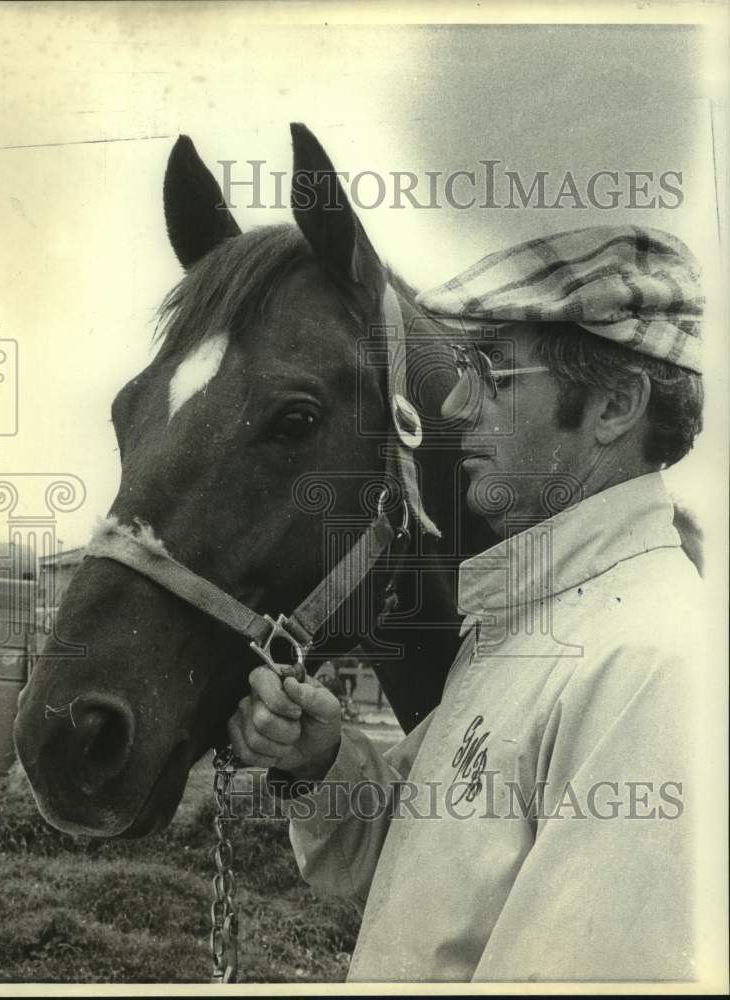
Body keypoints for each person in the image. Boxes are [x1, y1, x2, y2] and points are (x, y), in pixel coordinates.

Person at [227, 226, 706, 982]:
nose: (453, 403)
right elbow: (417, 866)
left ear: (615, 406)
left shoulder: (649, 665)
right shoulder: (523, 627)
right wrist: (322, 760)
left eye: (494, 375)